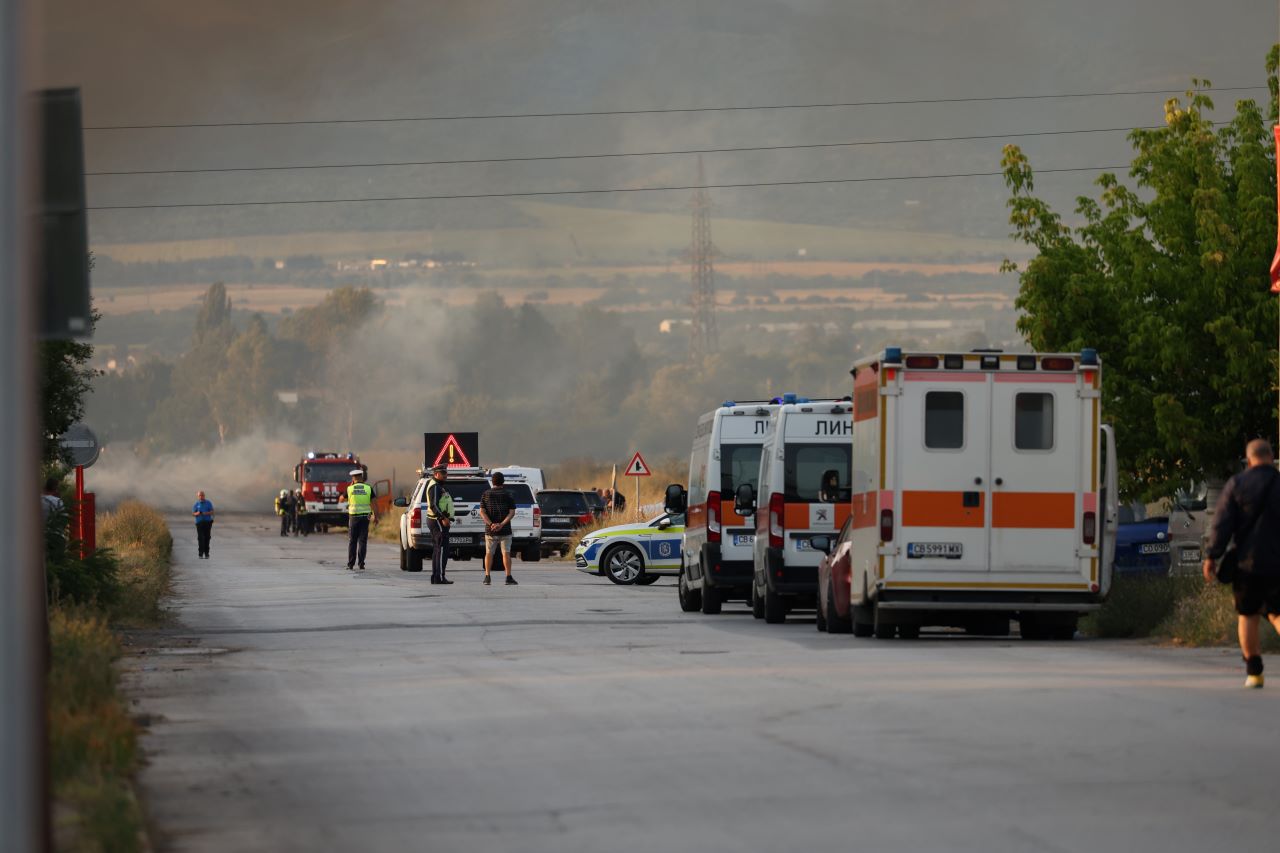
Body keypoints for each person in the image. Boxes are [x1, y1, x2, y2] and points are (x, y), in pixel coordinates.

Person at [1203, 438, 1280, 688]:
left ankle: (1254, 672)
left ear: (1248, 461)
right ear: (1272, 457)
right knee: (1278, 613)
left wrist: (1212, 556)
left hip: (1247, 564)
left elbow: (1222, 523)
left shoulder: (1237, 483)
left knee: (1247, 615)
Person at [479, 471, 518, 586]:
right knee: (506, 553)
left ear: (492, 481)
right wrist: (501, 524)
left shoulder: (485, 494)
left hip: (490, 530)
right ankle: (508, 577)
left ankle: (487, 576)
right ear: (503, 482)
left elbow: (482, 512)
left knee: (489, 553)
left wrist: (491, 524)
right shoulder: (508, 494)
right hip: (505, 530)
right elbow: (512, 512)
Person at [424, 463, 454, 584]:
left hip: (437, 520)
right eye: (443, 473)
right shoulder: (435, 486)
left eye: (446, 473)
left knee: (437, 549)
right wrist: (443, 518)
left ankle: (436, 577)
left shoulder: (437, 485)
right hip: (437, 521)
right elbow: (434, 504)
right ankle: (439, 577)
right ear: (436, 474)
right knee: (441, 549)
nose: (446, 475)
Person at [345, 469, 376, 571]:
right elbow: (374, 503)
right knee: (362, 541)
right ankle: (361, 564)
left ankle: (350, 564)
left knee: (352, 541)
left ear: (353, 478)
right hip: (365, 517)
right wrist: (375, 516)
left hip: (353, 517)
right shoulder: (368, 488)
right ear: (362, 477)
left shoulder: (350, 489)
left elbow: (341, 499)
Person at [192, 490, 215, 559]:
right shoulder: (196, 504)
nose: (201, 497)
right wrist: (197, 513)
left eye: (202, 495)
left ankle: (207, 553)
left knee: (207, 537)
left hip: (207, 522)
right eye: (200, 495)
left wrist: (206, 513)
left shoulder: (208, 503)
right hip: (199, 522)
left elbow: (212, 511)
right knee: (200, 538)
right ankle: (200, 553)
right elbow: (193, 513)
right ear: (198, 496)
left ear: (204, 496)